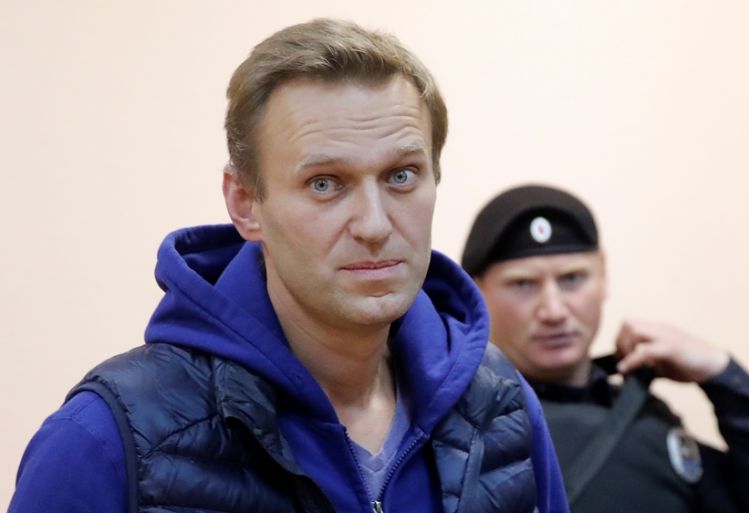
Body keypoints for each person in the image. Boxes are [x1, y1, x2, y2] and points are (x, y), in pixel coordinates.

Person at [9, 20, 569, 513]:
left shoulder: (499, 404)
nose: (374, 224)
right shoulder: (110, 438)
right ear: (245, 203)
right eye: (325, 184)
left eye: (401, 176)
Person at [461, 183, 749, 513]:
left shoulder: (645, 417)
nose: (554, 311)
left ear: (603, 274)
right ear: (475, 292)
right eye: (523, 283)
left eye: (572, 278)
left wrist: (720, 373)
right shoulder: (461, 431)